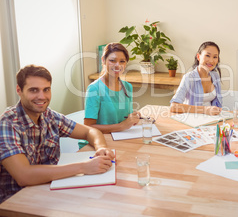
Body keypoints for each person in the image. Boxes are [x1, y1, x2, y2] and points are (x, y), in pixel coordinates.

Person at [0, 65, 115, 203]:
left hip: (52, 190)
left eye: (46, 89)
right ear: (19, 90)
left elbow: (90, 131)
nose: (41, 96)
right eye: (34, 90)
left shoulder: (49, 116)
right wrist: (83, 167)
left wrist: (101, 147)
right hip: (17, 201)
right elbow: (24, 176)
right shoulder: (7, 123)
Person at [84, 43, 141, 133]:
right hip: (99, 141)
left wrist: (133, 117)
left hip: (120, 137)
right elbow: (88, 127)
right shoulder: (94, 89)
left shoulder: (127, 87)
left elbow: (123, 118)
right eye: (112, 60)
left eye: (122, 61)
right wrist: (121, 126)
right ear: (103, 60)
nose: (117, 65)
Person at [170, 41, 222, 115]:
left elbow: (218, 103)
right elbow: (174, 107)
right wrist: (205, 110)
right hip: (193, 120)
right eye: (207, 55)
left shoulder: (215, 76)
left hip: (211, 120)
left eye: (215, 57)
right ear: (198, 57)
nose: (211, 61)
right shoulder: (189, 78)